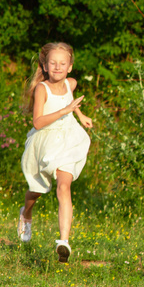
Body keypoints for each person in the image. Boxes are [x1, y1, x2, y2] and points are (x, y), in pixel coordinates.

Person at [17, 42, 93, 263]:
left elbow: (69, 98)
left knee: (64, 184)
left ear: (70, 66)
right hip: (46, 141)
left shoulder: (71, 83)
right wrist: (66, 110)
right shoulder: (42, 89)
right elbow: (38, 122)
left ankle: (64, 242)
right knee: (37, 190)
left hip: (68, 139)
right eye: (53, 63)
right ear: (45, 66)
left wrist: (80, 115)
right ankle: (26, 213)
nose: (58, 67)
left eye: (63, 63)